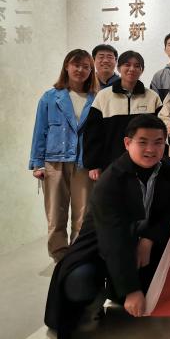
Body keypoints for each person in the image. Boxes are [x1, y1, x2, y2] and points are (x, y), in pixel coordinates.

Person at [44, 115, 170, 337]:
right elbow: (112, 239)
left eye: (158, 142)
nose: (151, 149)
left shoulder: (168, 168)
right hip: (100, 248)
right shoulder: (111, 180)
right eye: (143, 142)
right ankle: (97, 300)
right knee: (80, 280)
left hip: (142, 242)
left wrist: (148, 240)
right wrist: (131, 290)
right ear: (127, 143)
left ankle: (120, 291)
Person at [29, 49, 99, 263]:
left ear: (91, 71)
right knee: (55, 213)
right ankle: (59, 257)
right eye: (76, 65)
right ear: (67, 66)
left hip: (84, 162)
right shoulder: (50, 97)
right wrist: (37, 163)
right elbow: (40, 130)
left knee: (83, 214)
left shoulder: (97, 97)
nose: (80, 70)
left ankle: (78, 257)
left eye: (86, 67)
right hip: (54, 161)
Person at [83, 51, 162, 180]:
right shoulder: (103, 96)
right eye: (127, 65)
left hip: (146, 163)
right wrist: (93, 164)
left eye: (137, 66)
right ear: (119, 68)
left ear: (142, 70)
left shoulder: (153, 97)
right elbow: (93, 133)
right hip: (111, 163)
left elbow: (161, 134)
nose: (132, 69)